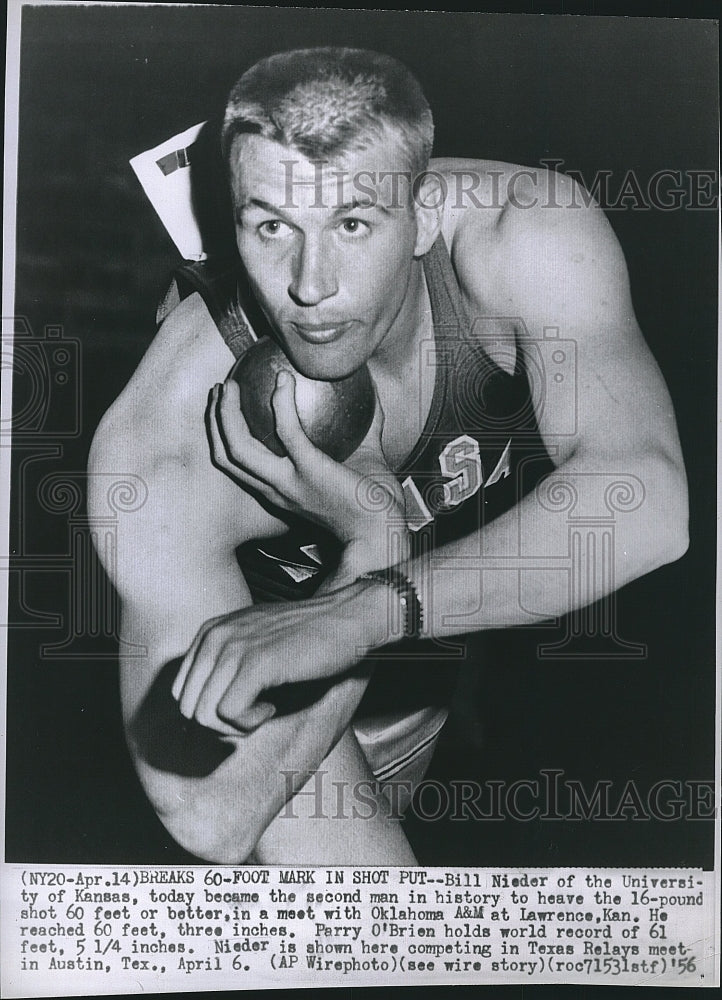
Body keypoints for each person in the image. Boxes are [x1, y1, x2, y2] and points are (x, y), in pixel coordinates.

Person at [88, 47, 688, 865]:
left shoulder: (524, 234)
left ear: (427, 213)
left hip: (411, 678)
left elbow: (649, 501)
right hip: (262, 723)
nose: (309, 285)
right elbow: (213, 817)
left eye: (353, 223)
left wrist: (368, 605)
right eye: (270, 226)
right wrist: (373, 546)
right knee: (388, 941)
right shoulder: (164, 438)